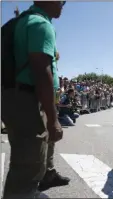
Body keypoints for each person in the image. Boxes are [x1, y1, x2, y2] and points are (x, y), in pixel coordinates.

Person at [1, 2, 69, 198]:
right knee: (29, 164)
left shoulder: (22, 21)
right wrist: (53, 118)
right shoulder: (40, 24)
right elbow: (41, 71)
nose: (63, 4)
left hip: (14, 96)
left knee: (25, 156)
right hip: (26, 99)